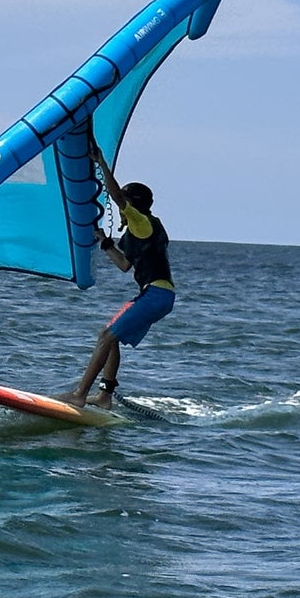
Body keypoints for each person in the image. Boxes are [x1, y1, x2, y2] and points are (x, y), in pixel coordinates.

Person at [63, 132, 176, 408]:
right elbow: (125, 265)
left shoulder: (142, 222)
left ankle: (79, 395)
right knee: (111, 336)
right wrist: (104, 243)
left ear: (133, 204)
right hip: (156, 295)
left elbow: (116, 197)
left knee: (105, 336)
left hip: (157, 295)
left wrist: (101, 163)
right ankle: (104, 396)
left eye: (124, 202)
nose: (120, 206)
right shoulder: (140, 229)